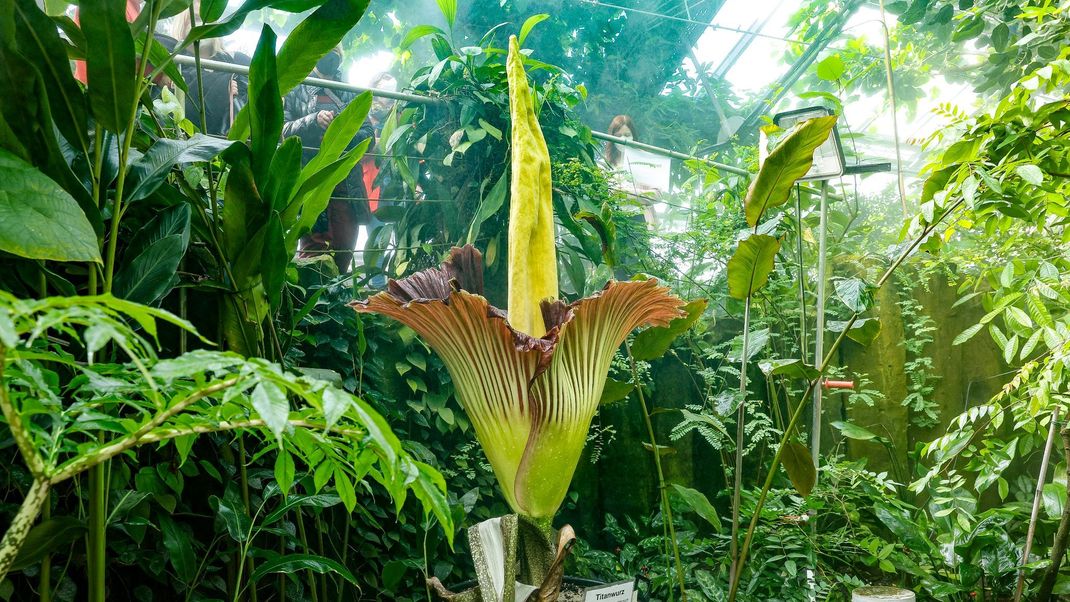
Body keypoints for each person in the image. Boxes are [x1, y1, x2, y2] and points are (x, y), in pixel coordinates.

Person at [283, 47, 376, 274]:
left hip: (345, 185)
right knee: (312, 252)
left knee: (344, 249)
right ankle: (311, 304)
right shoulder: (298, 88)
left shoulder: (350, 92)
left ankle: (335, 302)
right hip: (312, 183)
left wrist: (341, 130)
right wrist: (313, 121)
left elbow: (369, 137)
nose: (331, 52)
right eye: (328, 45)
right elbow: (285, 132)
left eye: (337, 47)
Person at [172, 11, 250, 136]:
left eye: (206, 18)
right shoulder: (171, 61)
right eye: (195, 18)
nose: (201, 23)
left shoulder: (238, 61)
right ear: (181, 24)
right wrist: (223, 85)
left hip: (235, 145)